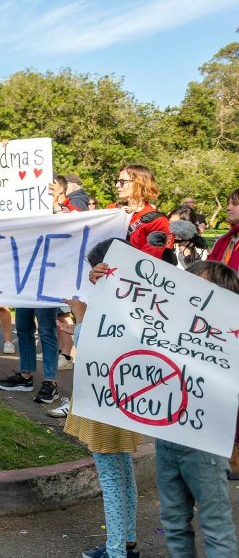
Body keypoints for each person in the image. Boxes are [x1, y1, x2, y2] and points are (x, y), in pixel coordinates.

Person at [153, 260, 238, 558]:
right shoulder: (170, 325)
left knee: (216, 526)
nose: (186, 293)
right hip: (167, 436)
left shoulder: (229, 340)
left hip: (206, 444)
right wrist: (105, 284)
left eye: (196, 288)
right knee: (173, 520)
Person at [63, 238, 143, 558]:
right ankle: (126, 541)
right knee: (123, 469)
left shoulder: (111, 303)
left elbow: (92, 342)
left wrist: (80, 316)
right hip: (122, 396)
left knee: (111, 477)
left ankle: (116, 551)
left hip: (103, 399)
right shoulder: (138, 299)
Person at [116, 164, 172, 259]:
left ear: (139, 184)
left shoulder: (158, 221)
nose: (117, 185)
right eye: (117, 181)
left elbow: (147, 261)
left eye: (122, 181)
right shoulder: (113, 210)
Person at [207, 188, 239, 271]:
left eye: (234, 203)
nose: (228, 208)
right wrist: (187, 253)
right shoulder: (227, 239)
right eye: (228, 204)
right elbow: (210, 273)